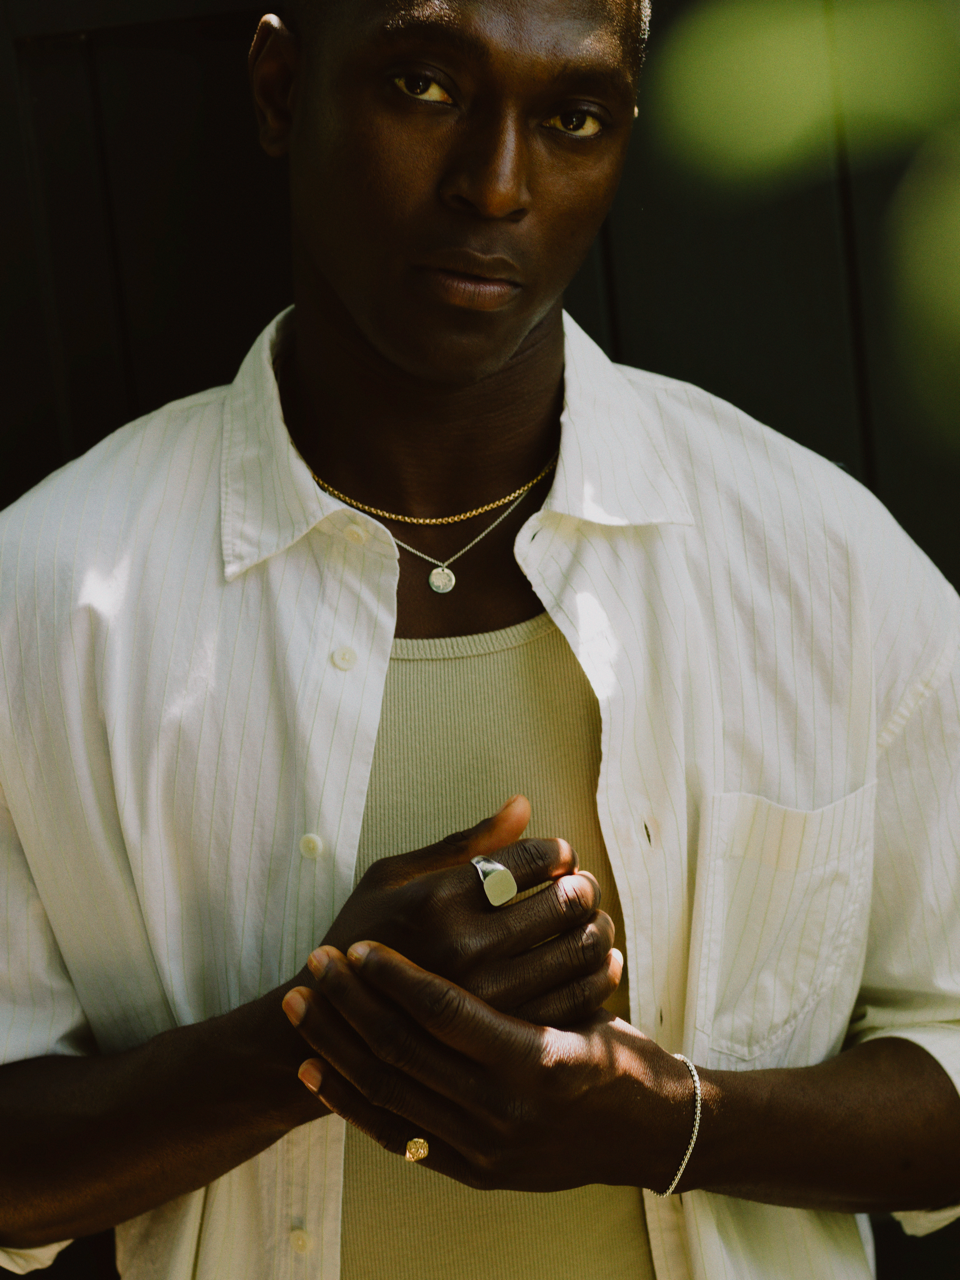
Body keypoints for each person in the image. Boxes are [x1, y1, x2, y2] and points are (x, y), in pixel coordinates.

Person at [0, 1, 958, 1277]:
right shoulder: (47, 599)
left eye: (571, 117)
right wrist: (321, 1035)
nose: (496, 186)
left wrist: (657, 1121)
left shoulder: (822, 568)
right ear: (282, 89)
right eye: (423, 86)